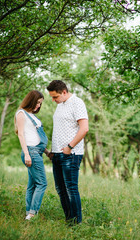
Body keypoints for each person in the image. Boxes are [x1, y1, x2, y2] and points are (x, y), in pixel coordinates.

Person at [46, 80, 89, 225]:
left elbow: (84, 129)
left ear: (64, 92)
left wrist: (69, 147)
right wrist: (53, 150)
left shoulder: (77, 103)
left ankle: (77, 223)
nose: (53, 100)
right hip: (57, 154)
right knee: (60, 189)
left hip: (71, 154)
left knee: (71, 189)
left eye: (55, 97)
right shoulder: (60, 105)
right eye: (52, 97)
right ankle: (69, 221)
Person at [15, 90, 50, 220]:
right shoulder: (21, 113)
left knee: (33, 184)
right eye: (37, 102)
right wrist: (27, 154)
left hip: (37, 152)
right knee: (42, 183)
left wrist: (46, 152)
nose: (39, 106)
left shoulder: (32, 116)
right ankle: (32, 213)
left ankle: (28, 213)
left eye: (40, 104)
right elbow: (21, 134)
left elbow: (35, 136)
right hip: (31, 152)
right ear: (31, 100)